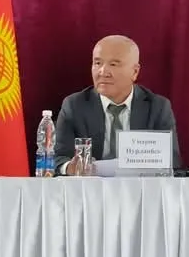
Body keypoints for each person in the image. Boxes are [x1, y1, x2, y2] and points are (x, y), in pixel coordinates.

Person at [54, 34, 182, 173]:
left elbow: (172, 161)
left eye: (113, 64)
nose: (103, 72)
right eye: (97, 63)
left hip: (139, 185)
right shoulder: (74, 106)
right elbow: (58, 158)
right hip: (90, 185)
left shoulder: (157, 107)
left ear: (134, 72)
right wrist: (69, 167)